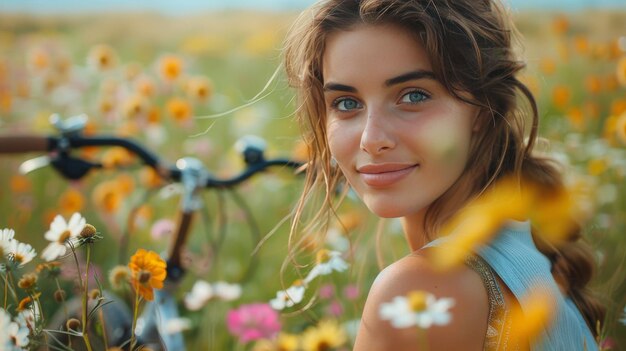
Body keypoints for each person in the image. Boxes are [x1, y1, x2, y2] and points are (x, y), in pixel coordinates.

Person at [281, 0, 605, 350]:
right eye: (346, 103)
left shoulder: (420, 291)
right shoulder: (525, 248)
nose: (372, 140)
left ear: (483, 109)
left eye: (414, 95)